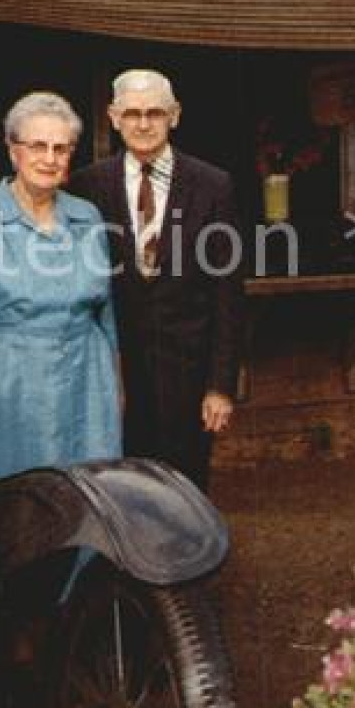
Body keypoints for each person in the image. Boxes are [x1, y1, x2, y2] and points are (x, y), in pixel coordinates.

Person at [68, 68, 243, 491]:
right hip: (116, 368)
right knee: (122, 481)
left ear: (175, 115)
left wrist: (220, 386)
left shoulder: (212, 184)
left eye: (154, 113)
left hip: (188, 368)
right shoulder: (88, 185)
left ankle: (190, 555)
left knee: (185, 483)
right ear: (112, 117)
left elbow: (227, 293)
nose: (143, 124)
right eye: (131, 113)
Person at [0, 91, 121, 484]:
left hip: (89, 380)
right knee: (20, 496)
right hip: (12, 384)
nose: (50, 158)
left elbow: (107, 314)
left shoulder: (87, 216)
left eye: (62, 148)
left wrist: (117, 389)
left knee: (93, 490)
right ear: (12, 150)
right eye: (38, 145)